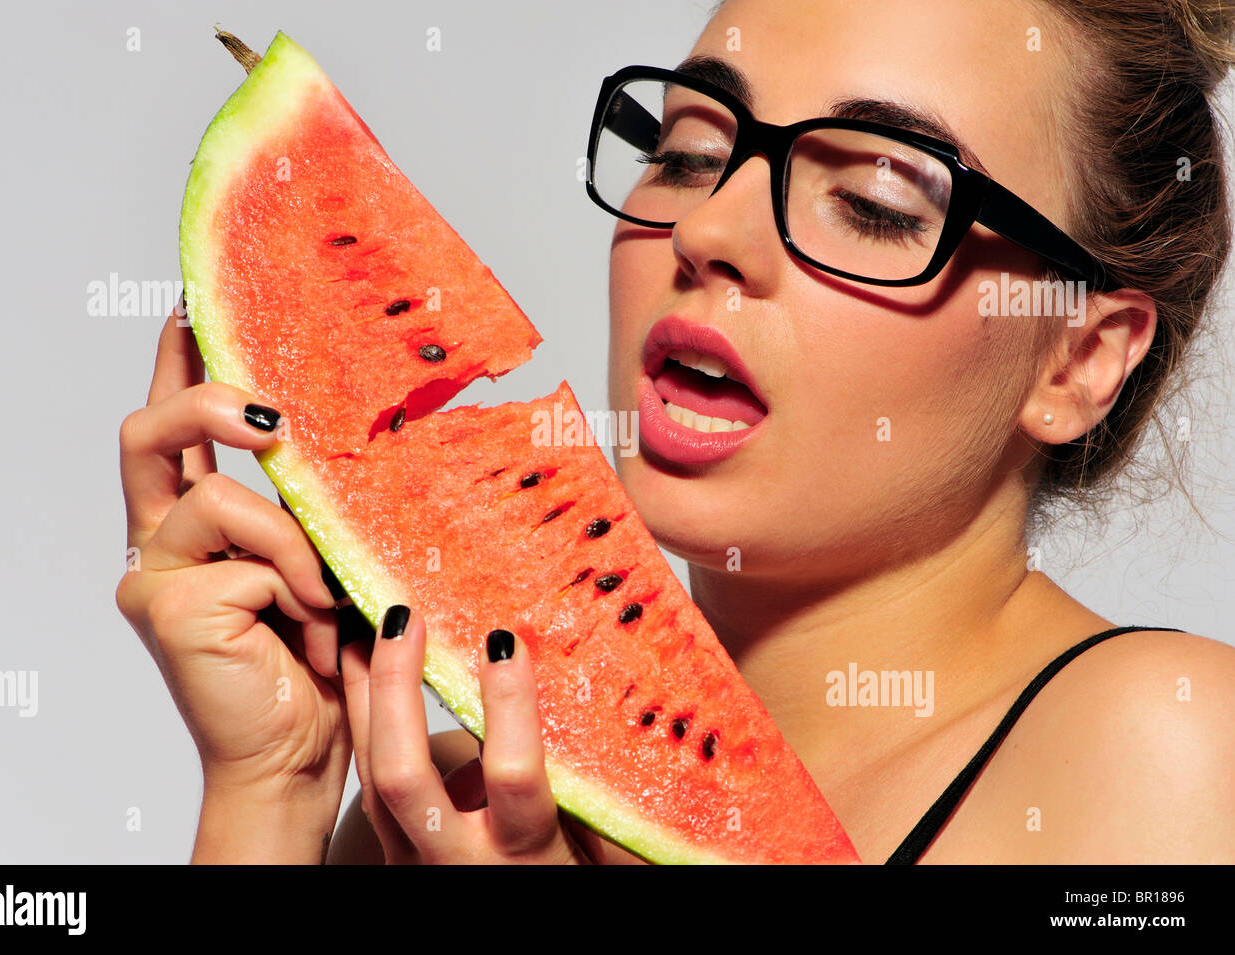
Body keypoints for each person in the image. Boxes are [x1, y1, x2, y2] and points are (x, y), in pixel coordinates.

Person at [117, 0, 1235, 864]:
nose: (704, 229)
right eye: (692, 152)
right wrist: (269, 794)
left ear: (1076, 359)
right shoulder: (451, 803)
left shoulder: (1167, 749)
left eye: (878, 202)